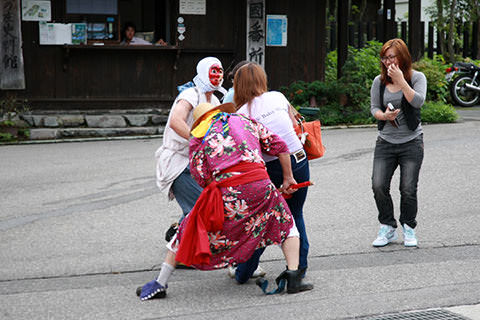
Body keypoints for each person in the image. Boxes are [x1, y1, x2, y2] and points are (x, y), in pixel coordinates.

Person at [137, 102, 313, 300]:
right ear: (219, 112)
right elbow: (280, 145)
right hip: (261, 184)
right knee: (287, 225)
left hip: (228, 189)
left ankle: (160, 282)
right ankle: (293, 275)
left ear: (199, 121)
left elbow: (199, 174)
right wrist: (288, 177)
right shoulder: (245, 121)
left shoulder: (198, 136)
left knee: (186, 229)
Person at [233, 62, 311, 282]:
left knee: (261, 220)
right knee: (296, 214)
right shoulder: (278, 97)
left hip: (273, 167)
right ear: (262, 80)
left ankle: (243, 272)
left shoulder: (241, 114)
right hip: (300, 159)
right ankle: (299, 268)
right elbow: (294, 120)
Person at [155, 57, 226, 229]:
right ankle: (178, 247)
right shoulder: (190, 94)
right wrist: (198, 140)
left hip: (199, 164)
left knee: (207, 205)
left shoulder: (215, 101)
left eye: (220, 71)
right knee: (199, 210)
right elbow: (176, 121)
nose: (217, 75)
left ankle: (178, 233)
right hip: (179, 163)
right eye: (213, 71)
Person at [370, 38, 427, 247]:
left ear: (401, 56)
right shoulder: (379, 81)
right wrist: (383, 116)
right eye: (384, 57)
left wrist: (402, 81)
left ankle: (409, 228)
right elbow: (374, 108)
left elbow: (418, 101)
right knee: (378, 185)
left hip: (411, 141)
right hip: (385, 141)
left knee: (408, 188)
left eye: (391, 56)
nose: (387, 61)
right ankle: (388, 226)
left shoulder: (417, 77)